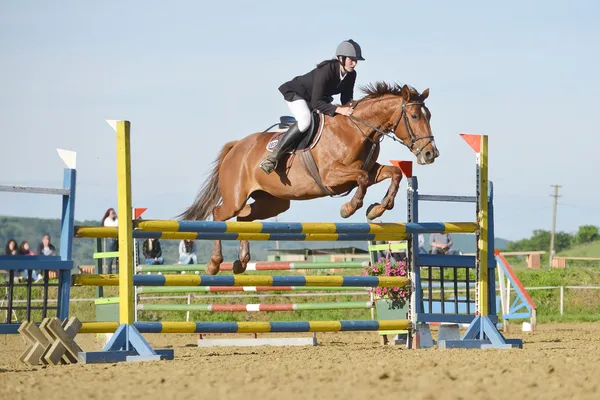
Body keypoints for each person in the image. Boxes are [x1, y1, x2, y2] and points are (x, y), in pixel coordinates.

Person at [259, 39, 365, 174]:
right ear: (341, 58)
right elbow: (317, 103)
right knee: (305, 121)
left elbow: (346, 99)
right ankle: (273, 158)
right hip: (297, 95)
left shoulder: (351, 74)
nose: (354, 63)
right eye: (352, 60)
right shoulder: (326, 71)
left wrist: (356, 109)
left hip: (317, 100)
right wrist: (339, 109)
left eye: (356, 60)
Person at [101, 208, 118, 272]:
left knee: (118, 258)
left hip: (117, 239)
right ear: (109, 214)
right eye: (112, 213)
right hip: (111, 240)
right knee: (110, 259)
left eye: (114, 213)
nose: (114, 215)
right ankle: (109, 272)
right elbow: (114, 226)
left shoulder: (117, 219)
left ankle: (118, 271)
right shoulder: (107, 220)